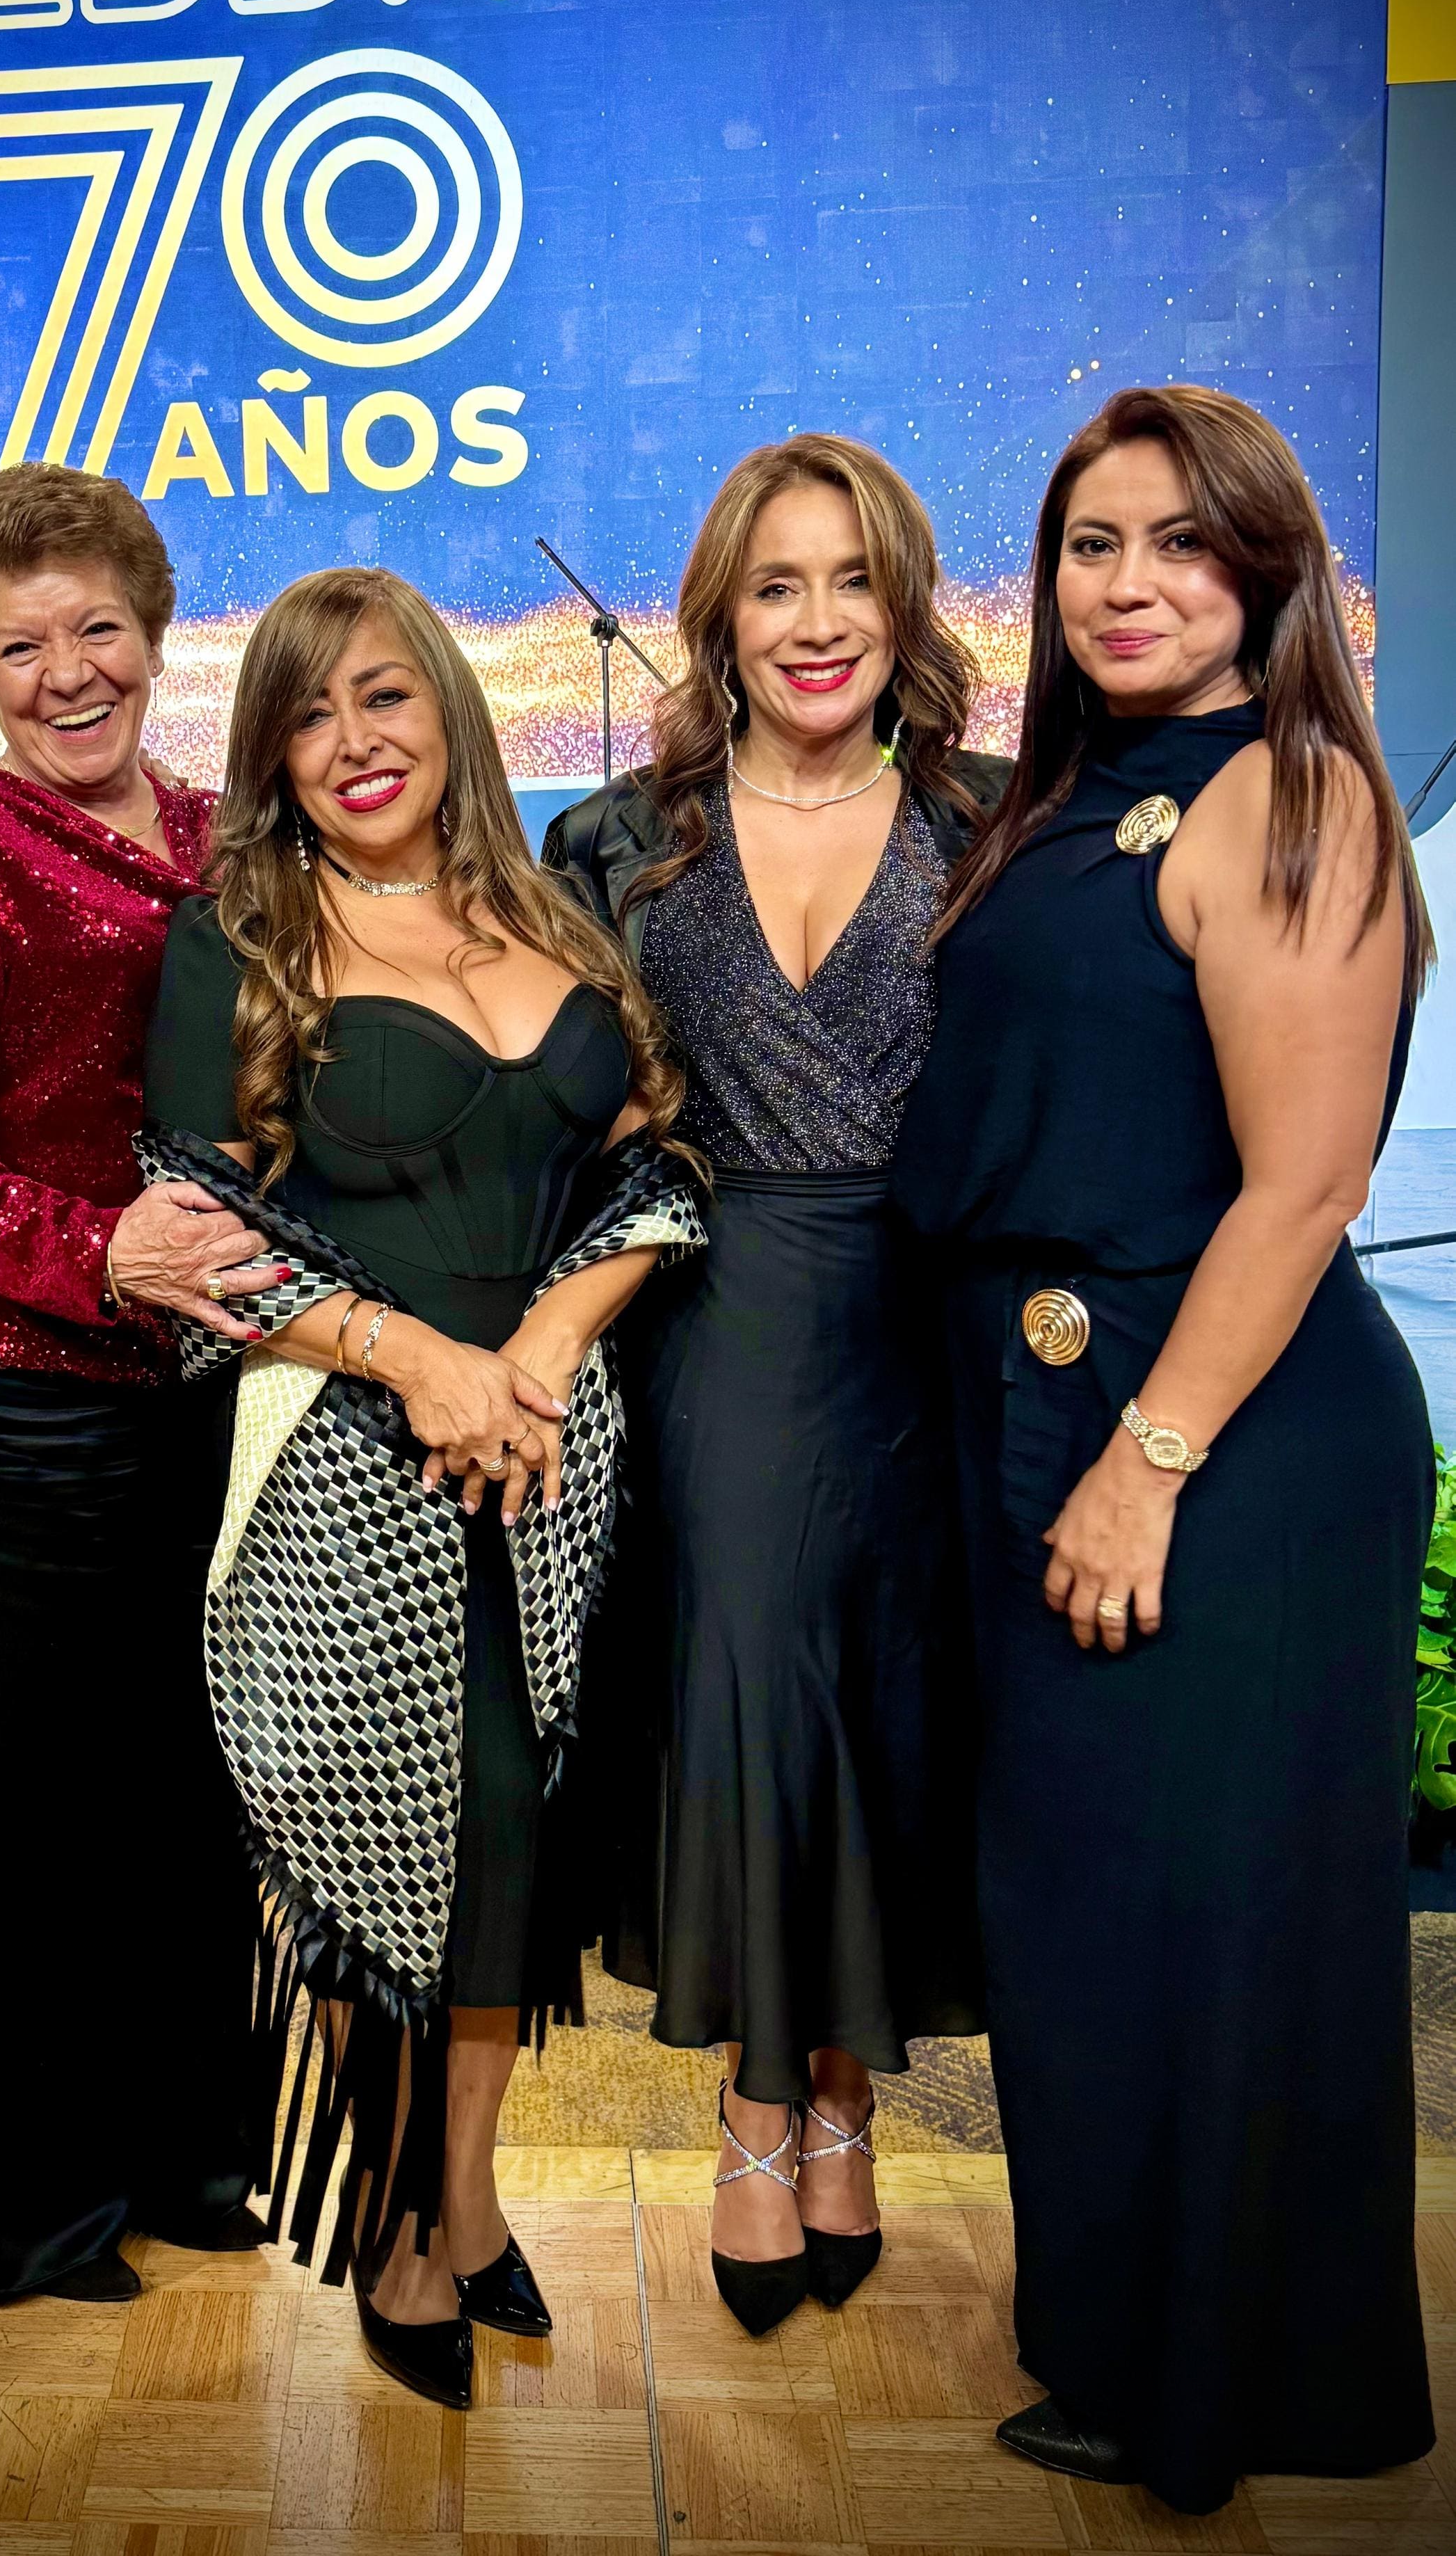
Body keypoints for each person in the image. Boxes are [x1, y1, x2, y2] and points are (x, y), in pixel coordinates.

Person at [892, 386, 1435, 2512]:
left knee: (1203, 1929)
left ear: (1267, 572)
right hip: (1068, 1401)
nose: (1126, 585)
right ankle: (1155, 2347)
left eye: (1181, 543)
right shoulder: (1074, 792)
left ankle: (1212, 2387)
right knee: (1097, 1921)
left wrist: (1145, 1460)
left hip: (1211, 1435)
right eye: (1091, 544)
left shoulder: (1286, 792)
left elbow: (1300, 1188)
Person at [141, 565, 703, 2409]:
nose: (353, 741)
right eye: (308, 714)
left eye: (382, 696)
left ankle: (464, 2201)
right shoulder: (237, 941)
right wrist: (419, 1359)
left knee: (512, 1855)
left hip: (546, 1466)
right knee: (385, 1859)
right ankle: (395, 2224)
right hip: (335, 1476)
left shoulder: (555, 909)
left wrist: (536, 1348)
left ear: (445, 709)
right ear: (271, 754)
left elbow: (659, 1174)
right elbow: (193, 1233)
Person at [546, 435, 1004, 2338]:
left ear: (903, 605)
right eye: (775, 585)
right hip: (714, 1322)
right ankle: (761, 2101)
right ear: (718, 620)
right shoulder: (613, 841)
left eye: (852, 579)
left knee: (889, 1704)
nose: (817, 622)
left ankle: (841, 2094)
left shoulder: (996, 822)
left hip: (938, 1334)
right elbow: (558, 1106)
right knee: (752, 1689)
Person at [0, 463, 280, 2308]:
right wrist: (105, 1256)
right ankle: (29, 2217)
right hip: (0, 1405)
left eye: (97, 627)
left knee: (183, 1789)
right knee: (14, 1824)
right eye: (21, 647)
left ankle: (187, 2157)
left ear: (155, 634)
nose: (67, 671)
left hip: (190, 1394)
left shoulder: (226, 833)